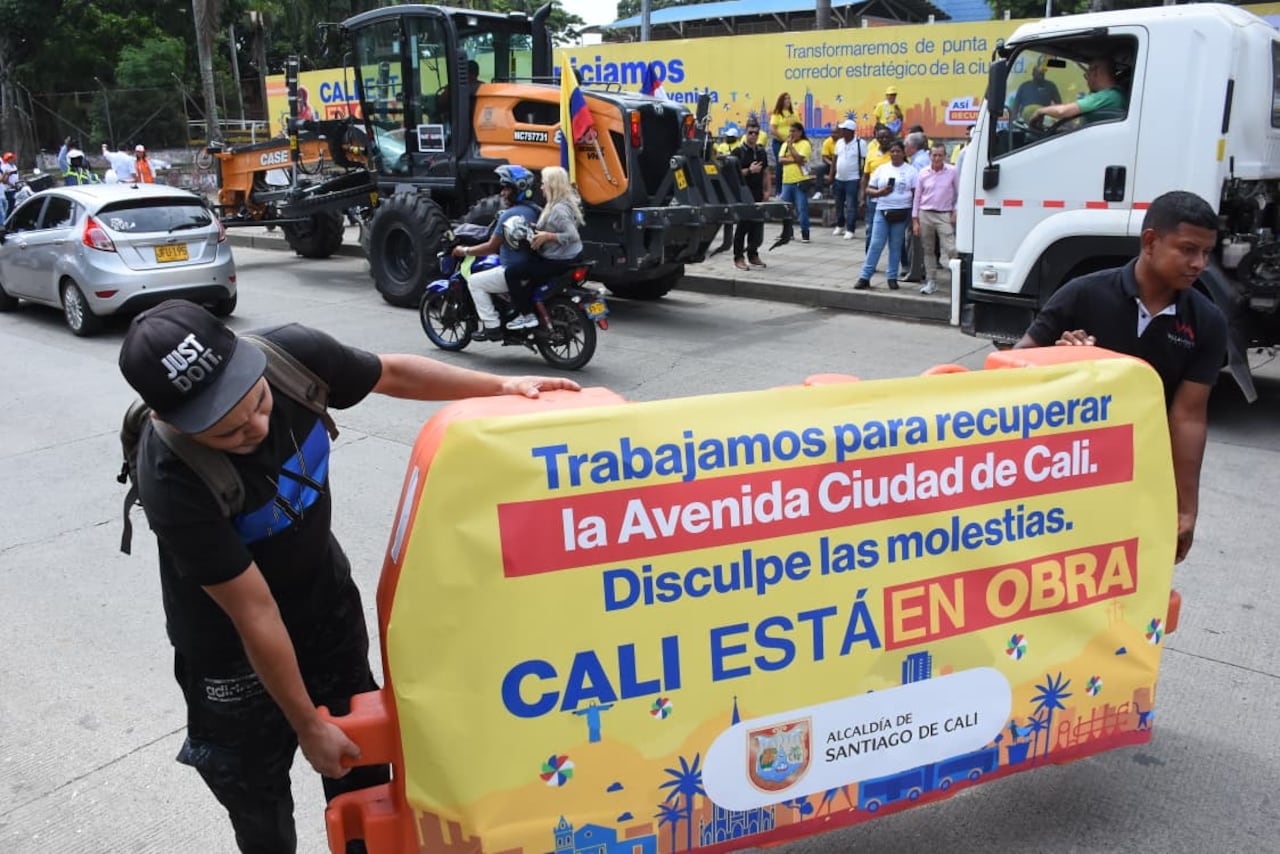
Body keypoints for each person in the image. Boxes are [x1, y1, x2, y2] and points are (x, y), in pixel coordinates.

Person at [118, 299, 579, 854]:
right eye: (228, 431)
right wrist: (307, 726)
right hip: (232, 653)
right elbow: (254, 612)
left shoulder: (291, 357)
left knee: (360, 769)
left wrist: (499, 388)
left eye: (258, 403)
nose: (258, 428)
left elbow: (393, 373)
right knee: (259, 802)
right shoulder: (172, 478)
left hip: (322, 605)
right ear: (172, 421)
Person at [1014, 191, 1226, 563]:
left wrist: (1186, 508)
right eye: (1189, 249)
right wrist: (1061, 360)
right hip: (1062, 474)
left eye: (1206, 253)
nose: (1199, 264)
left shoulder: (1207, 320)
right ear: (1150, 242)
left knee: (1129, 587)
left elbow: (1188, 418)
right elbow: (1013, 366)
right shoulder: (1083, 294)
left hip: (1141, 479)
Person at [451, 164, 540, 339]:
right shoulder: (535, 211)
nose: (502, 193)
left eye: (506, 188)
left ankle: (492, 326)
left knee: (476, 281)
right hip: (531, 267)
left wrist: (464, 250)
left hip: (513, 269)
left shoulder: (509, 215)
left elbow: (491, 247)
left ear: (518, 189)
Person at [503, 165, 584, 330]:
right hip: (570, 256)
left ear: (552, 186)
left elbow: (572, 235)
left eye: (544, 183)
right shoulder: (565, 202)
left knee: (512, 273)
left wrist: (548, 236)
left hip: (558, 260)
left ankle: (526, 315)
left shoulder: (558, 210)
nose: (541, 187)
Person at [854, 140, 916, 291]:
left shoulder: (911, 171)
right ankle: (865, 276)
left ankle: (892, 277)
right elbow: (869, 189)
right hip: (882, 210)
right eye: (892, 151)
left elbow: (916, 194)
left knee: (895, 246)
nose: (895, 154)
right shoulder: (882, 169)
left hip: (901, 213)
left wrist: (914, 216)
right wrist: (880, 193)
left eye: (898, 151)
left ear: (903, 153)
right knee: (876, 244)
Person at [912, 144, 959, 296]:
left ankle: (957, 281)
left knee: (951, 248)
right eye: (934, 155)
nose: (937, 158)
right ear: (930, 156)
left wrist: (955, 211)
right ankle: (931, 281)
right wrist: (915, 220)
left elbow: (959, 193)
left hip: (944, 214)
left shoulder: (952, 171)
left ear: (945, 156)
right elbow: (917, 197)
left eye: (940, 155)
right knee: (928, 249)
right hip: (925, 213)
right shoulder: (923, 173)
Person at [1030, 57, 1125, 129]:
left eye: (1087, 75)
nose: (1087, 81)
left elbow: (1062, 111)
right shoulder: (1119, 94)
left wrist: (1039, 111)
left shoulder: (1107, 96)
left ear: (1095, 72)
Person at [731, 122, 769, 271]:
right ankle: (738, 257)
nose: (753, 135)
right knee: (743, 226)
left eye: (756, 133)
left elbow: (765, 172)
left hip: (758, 193)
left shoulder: (761, 152)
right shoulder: (738, 152)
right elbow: (733, 174)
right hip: (743, 194)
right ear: (745, 133)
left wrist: (767, 191)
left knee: (757, 226)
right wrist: (749, 170)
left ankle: (753, 254)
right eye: (750, 132)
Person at [858, 124, 894, 253]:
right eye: (880, 137)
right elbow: (865, 177)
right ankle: (869, 260)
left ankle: (901, 263)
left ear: (891, 138)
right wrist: (862, 198)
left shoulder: (897, 153)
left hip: (893, 200)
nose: (884, 140)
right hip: (873, 199)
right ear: (876, 138)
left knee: (894, 235)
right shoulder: (871, 153)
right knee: (871, 231)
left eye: (886, 137)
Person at [778, 121, 813, 243]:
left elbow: (800, 159)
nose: (791, 133)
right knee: (785, 208)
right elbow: (781, 159)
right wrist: (793, 158)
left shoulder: (805, 144)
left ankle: (805, 232)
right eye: (790, 131)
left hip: (800, 181)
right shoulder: (785, 144)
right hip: (786, 181)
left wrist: (791, 147)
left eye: (793, 131)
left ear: (800, 132)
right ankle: (788, 232)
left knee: (801, 208)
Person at [830, 120, 863, 239]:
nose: (841, 132)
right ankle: (840, 225)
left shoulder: (860, 143)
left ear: (850, 131)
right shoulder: (839, 142)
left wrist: (862, 177)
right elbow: (834, 159)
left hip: (852, 179)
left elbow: (864, 161)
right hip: (839, 178)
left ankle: (850, 228)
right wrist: (831, 174)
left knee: (851, 205)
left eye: (844, 130)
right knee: (838, 204)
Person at [769, 93, 795, 198]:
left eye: (789, 98)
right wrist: (784, 139)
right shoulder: (777, 114)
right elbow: (773, 129)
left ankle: (790, 190)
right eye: (785, 99)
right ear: (781, 101)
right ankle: (779, 191)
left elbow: (798, 127)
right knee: (780, 165)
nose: (788, 101)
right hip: (779, 143)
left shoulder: (793, 113)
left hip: (791, 143)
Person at [1, 152, 18, 222]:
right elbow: (4, 180)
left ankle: (13, 219)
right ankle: (7, 220)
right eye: (10, 158)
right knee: (10, 207)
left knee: (16, 205)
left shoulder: (14, 166)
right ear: (7, 160)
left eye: (12, 158)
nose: (12, 159)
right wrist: (12, 185)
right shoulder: (4, 167)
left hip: (15, 188)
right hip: (8, 190)